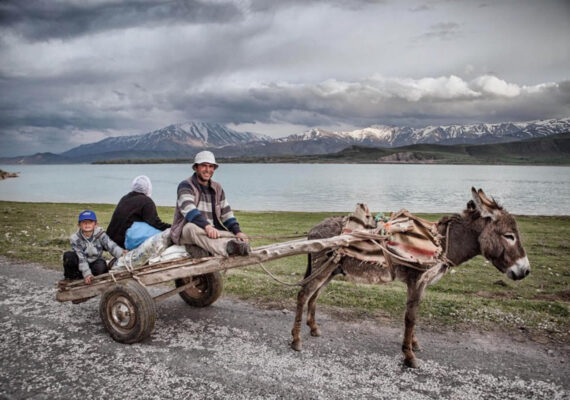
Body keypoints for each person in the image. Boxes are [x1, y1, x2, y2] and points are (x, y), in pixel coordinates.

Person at [170, 150, 250, 256]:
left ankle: (238, 246)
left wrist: (237, 232)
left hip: (212, 230)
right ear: (195, 167)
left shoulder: (218, 188)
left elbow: (226, 214)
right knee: (191, 228)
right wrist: (207, 226)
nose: (208, 170)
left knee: (236, 237)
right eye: (204, 166)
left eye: (211, 166)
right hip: (188, 231)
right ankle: (227, 249)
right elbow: (189, 210)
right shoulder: (185, 186)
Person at [107, 175, 171, 250]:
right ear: (148, 188)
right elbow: (155, 223)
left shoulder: (125, 197)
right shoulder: (146, 201)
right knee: (159, 233)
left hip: (113, 239)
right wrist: (172, 228)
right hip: (124, 241)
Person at [63, 210, 126, 285]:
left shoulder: (100, 234)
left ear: (95, 224)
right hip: (80, 264)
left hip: (94, 263)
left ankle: (93, 279)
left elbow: (111, 246)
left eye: (90, 222)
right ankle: (72, 279)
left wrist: (123, 254)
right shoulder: (75, 238)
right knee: (68, 256)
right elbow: (81, 257)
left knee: (101, 265)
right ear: (79, 225)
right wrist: (87, 273)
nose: (87, 224)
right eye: (84, 222)